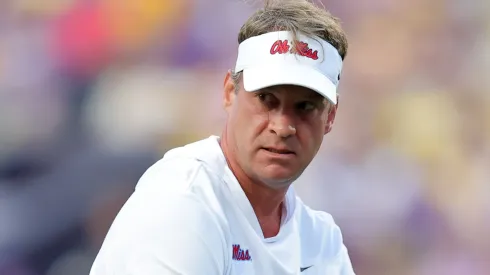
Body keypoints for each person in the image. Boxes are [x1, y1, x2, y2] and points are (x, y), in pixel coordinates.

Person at [89, 0, 355, 274]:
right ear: (229, 92)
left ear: (330, 117)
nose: (283, 126)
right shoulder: (183, 201)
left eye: (305, 107)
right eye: (266, 99)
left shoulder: (321, 241)